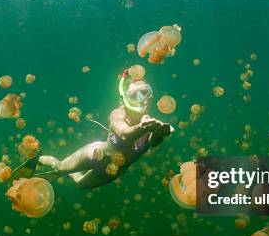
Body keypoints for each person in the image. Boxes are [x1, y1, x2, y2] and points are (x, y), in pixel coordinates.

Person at [12, 68, 173, 188]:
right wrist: (143, 126)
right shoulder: (118, 114)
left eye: (144, 92)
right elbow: (124, 134)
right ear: (125, 97)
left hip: (117, 170)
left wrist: (159, 134)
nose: (140, 99)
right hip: (94, 155)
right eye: (133, 95)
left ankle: (70, 173)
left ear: (151, 95)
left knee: (81, 185)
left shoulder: (152, 122)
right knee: (60, 167)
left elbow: (152, 143)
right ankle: (38, 158)